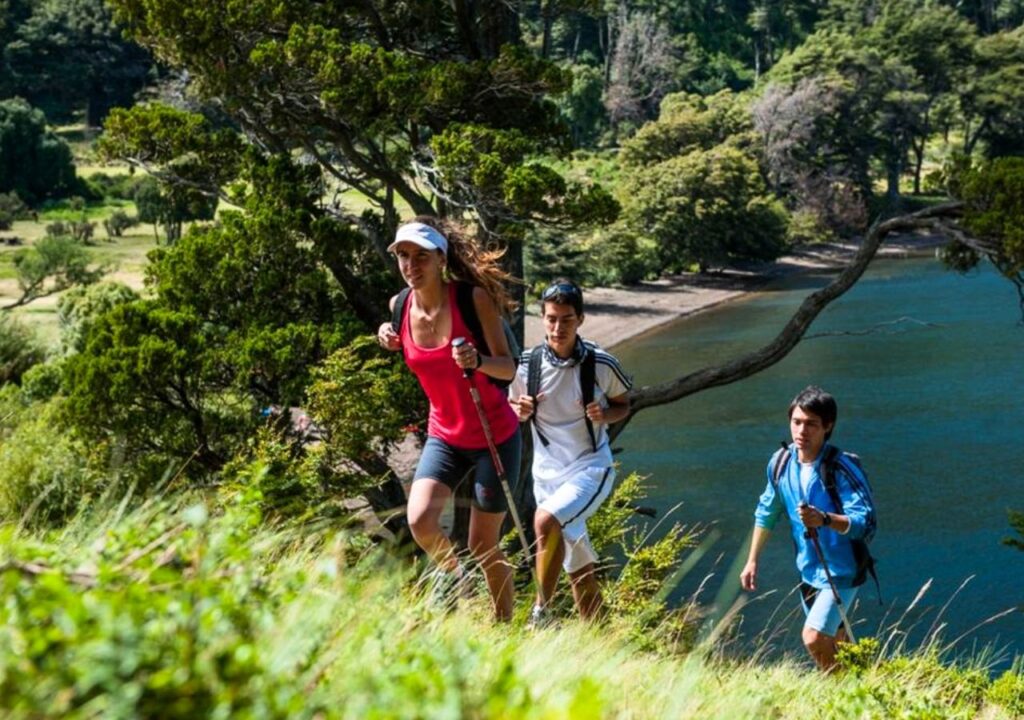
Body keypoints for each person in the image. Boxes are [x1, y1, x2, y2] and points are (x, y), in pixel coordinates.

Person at [376, 217, 521, 621]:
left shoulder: (473, 300)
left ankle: (504, 625)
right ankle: (459, 579)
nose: (410, 265)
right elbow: (400, 338)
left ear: (441, 258)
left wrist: (477, 361)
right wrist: (386, 336)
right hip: (445, 435)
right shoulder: (399, 305)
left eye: (421, 256)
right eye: (403, 256)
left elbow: (508, 369)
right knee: (420, 520)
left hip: (493, 436)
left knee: (483, 545)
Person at [509, 279, 632, 627]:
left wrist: (604, 414)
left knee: (545, 521)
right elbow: (511, 409)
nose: (557, 327)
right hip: (546, 477)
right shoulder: (528, 365)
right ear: (543, 318)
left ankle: (540, 615)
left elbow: (624, 404)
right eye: (550, 318)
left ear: (580, 319)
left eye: (565, 319)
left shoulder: (601, 363)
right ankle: (602, 641)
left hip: (591, 470)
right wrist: (521, 411)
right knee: (580, 572)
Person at [740, 386, 875, 671]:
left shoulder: (842, 468)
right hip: (809, 572)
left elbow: (865, 521)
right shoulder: (780, 463)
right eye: (796, 422)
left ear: (828, 426)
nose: (802, 430)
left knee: (814, 637)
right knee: (840, 643)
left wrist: (825, 519)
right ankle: (872, 692)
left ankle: (841, 698)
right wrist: (752, 560)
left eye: (812, 424)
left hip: (842, 572)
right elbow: (767, 511)